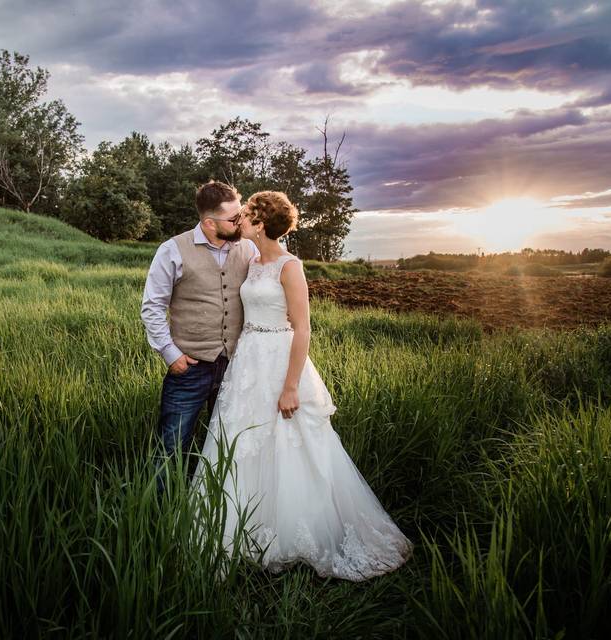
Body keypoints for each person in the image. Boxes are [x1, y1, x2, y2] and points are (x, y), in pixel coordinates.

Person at [192, 191, 412, 580]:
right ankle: (241, 525)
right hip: (249, 361)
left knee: (291, 442)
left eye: (246, 216)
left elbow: (303, 327)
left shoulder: (289, 266)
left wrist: (291, 385)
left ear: (260, 225)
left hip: (279, 358)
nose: (240, 220)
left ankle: (297, 530)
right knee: (242, 439)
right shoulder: (252, 260)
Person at [140, 181, 259, 494]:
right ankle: (159, 516)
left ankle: (221, 509)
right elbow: (152, 307)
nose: (240, 222)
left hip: (236, 366)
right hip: (189, 367)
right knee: (171, 446)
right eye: (234, 219)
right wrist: (170, 354)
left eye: (241, 215)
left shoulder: (249, 247)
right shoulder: (172, 250)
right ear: (209, 223)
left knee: (230, 444)